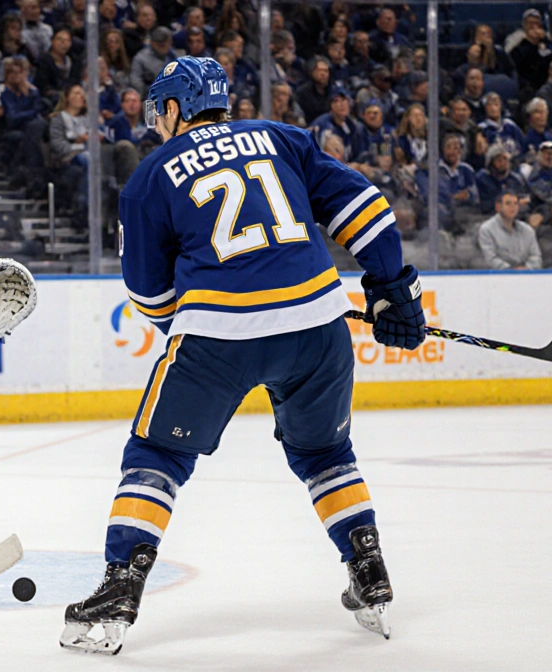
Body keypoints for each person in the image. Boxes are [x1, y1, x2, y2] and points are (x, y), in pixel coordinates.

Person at [62, 56, 423, 654]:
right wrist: (392, 290)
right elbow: (366, 213)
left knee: (156, 454)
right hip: (318, 325)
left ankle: (121, 584)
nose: (157, 124)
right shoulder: (285, 138)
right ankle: (369, 569)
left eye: (160, 112)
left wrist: (200, 317)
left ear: (175, 108)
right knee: (326, 452)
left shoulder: (150, 175)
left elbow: (150, 296)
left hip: (216, 338)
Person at [477, 190, 541, 269]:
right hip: (498, 277)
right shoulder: (487, 229)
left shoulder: (528, 230)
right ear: (498, 206)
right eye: (508, 203)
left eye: (516, 203)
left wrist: (527, 268)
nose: (513, 207)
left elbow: (536, 257)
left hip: (526, 276)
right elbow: (490, 259)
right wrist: (511, 270)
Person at [476, 146, 528, 213]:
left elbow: (525, 200)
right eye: (499, 160)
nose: (503, 163)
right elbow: (485, 205)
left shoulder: (515, 179)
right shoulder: (482, 178)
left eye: (505, 159)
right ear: (490, 164)